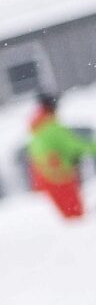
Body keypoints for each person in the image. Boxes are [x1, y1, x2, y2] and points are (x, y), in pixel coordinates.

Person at [25, 92, 92, 221]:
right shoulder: (51, 127)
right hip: (61, 177)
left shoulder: (37, 128)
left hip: (47, 177)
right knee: (76, 217)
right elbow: (73, 146)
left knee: (70, 216)